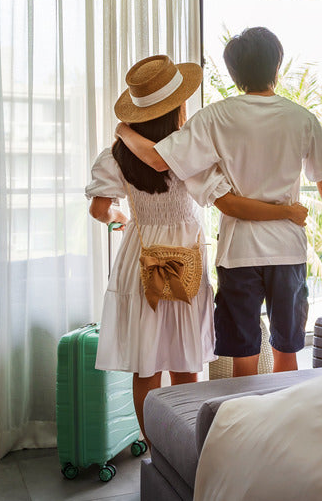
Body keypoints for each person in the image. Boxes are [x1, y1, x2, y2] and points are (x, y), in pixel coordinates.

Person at [86, 54, 308, 441]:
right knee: (184, 361)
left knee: (146, 366)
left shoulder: (116, 155)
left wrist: (121, 218)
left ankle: (156, 449)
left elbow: (100, 208)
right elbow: (218, 196)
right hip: (185, 260)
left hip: (140, 261)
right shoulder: (191, 153)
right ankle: (185, 446)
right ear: (176, 108)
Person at [116, 27, 322, 378]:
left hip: (238, 253)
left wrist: (122, 130)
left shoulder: (215, 116)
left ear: (233, 74)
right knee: (286, 353)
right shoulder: (302, 119)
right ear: (277, 65)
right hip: (287, 251)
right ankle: (283, 427)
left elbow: (157, 159)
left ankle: (247, 429)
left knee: (244, 359)